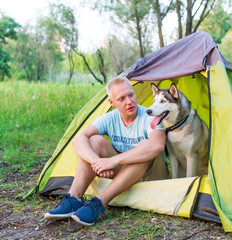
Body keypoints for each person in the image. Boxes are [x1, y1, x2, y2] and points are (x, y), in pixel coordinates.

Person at [44, 76, 169, 226]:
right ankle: (74, 199)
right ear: (112, 102)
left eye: (130, 95)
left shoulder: (149, 116)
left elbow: (157, 145)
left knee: (144, 146)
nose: (129, 101)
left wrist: (111, 161)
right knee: (94, 141)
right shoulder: (110, 118)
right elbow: (78, 139)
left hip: (152, 176)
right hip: (124, 175)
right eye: (121, 99)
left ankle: (99, 203)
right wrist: (97, 163)